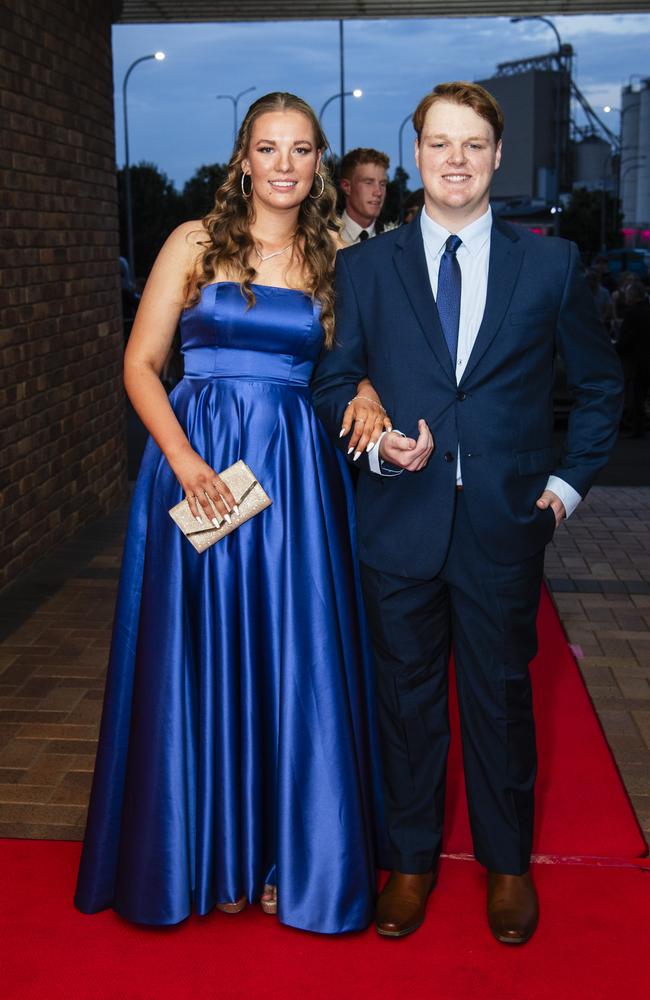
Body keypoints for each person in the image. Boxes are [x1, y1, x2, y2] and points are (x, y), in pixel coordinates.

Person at [313, 81, 623, 944]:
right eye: (439, 142)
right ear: (416, 154)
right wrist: (375, 444)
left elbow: (600, 388)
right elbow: (335, 378)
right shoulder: (366, 266)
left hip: (503, 528)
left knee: (498, 703)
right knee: (407, 706)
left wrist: (560, 493)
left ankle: (509, 868)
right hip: (398, 520)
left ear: (495, 157)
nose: (455, 158)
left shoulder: (551, 264)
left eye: (472, 144)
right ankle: (410, 865)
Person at [75, 92, 391, 934]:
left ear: (319, 162)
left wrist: (360, 387)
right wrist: (183, 460)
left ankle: (290, 856)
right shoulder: (193, 242)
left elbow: (345, 368)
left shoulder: (336, 261)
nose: (284, 164)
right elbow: (141, 364)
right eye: (268, 147)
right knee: (200, 655)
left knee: (292, 659)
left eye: (300, 149)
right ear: (242, 159)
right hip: (200, 470)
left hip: (292, 477)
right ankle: (210, 853)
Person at [617, 280, 650, 438]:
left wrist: (615, 349)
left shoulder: (631, 314)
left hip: (636, 361)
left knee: (636, 398)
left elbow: (626, 339)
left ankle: (638, 430)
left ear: (633, 296)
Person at [339, 147, 389, 244]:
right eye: (368, 183)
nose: (378, 192)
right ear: (346, 186)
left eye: (382, 184)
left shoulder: (393, 239)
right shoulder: (324, 239)